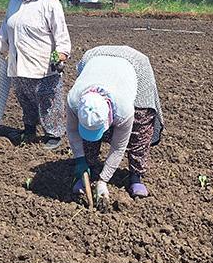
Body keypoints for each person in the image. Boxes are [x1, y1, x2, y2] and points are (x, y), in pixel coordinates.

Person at [0, 0, 71, 150]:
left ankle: (54, 134)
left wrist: (62, 53)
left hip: (43, 66)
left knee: (48, 101)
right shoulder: (14, 2)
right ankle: (29, 129)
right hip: (18, 64)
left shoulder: (49, 2)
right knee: (25, 99)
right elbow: (5, 30)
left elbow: (61, 34)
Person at [66, 45, 164, 199]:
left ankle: (135, 177)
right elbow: (72, 131)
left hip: (135, 65)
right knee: (89, 135)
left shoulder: (124, 108)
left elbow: (119, 147)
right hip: (95, 58)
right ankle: (87, 171)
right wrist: (80, 159)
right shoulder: (74, 100)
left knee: (140, 128)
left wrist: (103, 180)